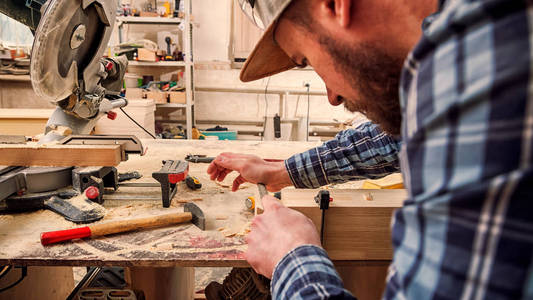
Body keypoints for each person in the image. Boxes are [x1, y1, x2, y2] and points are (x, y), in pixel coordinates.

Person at [207, 0, 533, 298]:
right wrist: (283, 172)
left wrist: (291, 256)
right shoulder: (482, 38)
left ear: (336, 5)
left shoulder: (480, 64)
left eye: (306, 59)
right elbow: (396, 139)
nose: (331, 95)